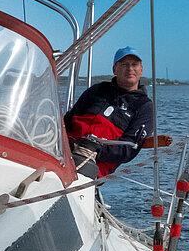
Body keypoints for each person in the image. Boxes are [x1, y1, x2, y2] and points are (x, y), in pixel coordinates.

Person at [65, 47, 153, 179]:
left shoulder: (144, 106)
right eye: (124, 64)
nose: (130, 69)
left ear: (141, 70)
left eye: (134, 64)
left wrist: (94, 150)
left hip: (92, 165)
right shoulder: (98, 90)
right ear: (114, 69)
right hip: (64, 151)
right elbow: (69, 121)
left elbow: (128, 148)